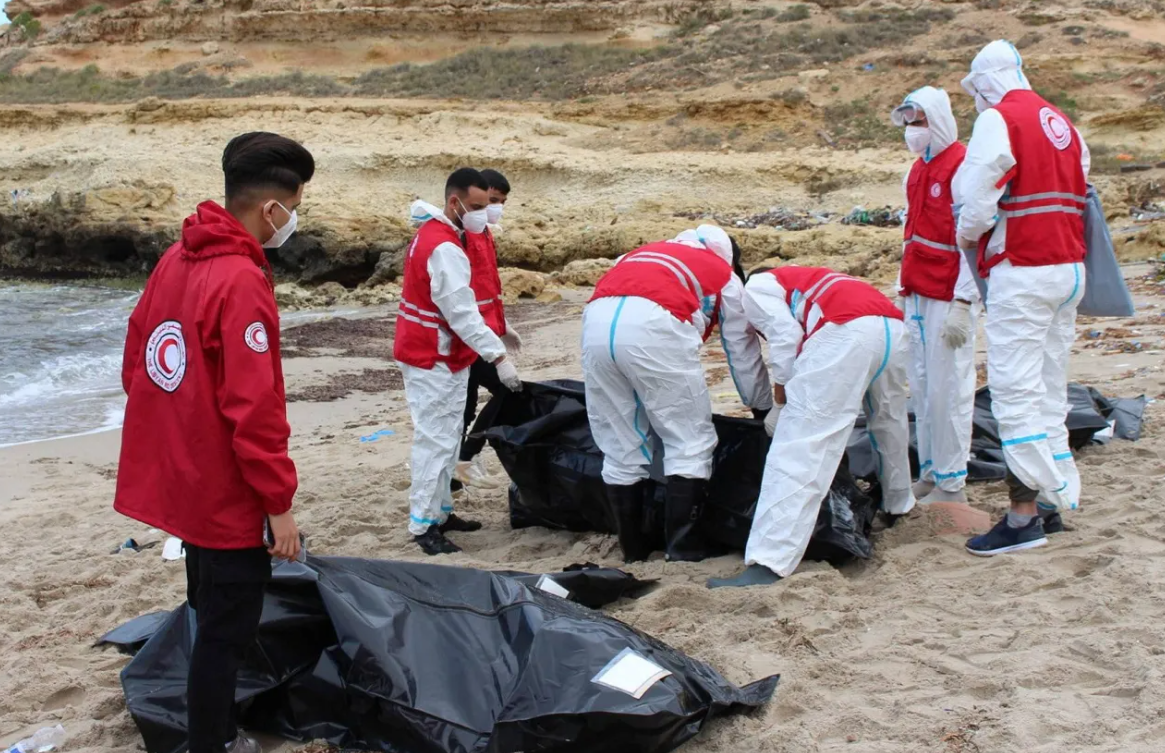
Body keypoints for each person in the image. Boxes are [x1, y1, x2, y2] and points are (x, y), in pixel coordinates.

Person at [114, 132, 312, 753]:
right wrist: (278, 505)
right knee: (227, 632)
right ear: (271, 208)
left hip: (185, 475)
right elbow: (255, 409)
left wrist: (176, 432)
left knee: (206, 607)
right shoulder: (240, 278)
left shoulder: (178, 256)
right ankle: (213, 741)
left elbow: (138, 361)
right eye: (294, 207)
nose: (293, 220)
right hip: (225, 490)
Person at [956, 40, 1089, 556]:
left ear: (985, 83)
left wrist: (968, 236)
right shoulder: (1062, 122)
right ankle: (1055, 500)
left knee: (1015, 394)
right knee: (1050, 390)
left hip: (1025, 269)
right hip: (1068, 268)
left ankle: (1022, 517)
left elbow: (977, 199)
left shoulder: (1000, 120)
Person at [708, 266, 913, 588]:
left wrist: (780, 402)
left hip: (845, 331)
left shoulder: (757, 287)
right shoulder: (812, 278)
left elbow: (785, 338)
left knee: (798, 447)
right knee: (889, 422)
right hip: (892, 327)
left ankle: (769, 562)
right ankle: (899, 505)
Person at [581, 225, 772, 563]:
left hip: (594, 327)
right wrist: (761, 407)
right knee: (689, 441)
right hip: (656, 329)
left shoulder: (639, 255)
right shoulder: (722, 275)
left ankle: (633, 549)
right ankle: (683, 548)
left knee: (621, 443)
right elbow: (742, 352)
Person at [395, 167, 522, 555]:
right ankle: (423, 524)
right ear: (455, 202)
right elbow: (461, 312)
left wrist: (498, 329)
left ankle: (440, 512)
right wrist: (497, 355)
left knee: (447, 437)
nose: (484, 214)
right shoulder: (445, 247)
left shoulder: (438, 234)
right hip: (433, 354)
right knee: (436, 441)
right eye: (478, 206)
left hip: (439, 351)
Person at [890, 86, 978, 505]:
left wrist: (965, 300)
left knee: (950, 388)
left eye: (920, 121)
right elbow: (911, 233)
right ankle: (930, 471)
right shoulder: (916, 171)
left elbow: (972, 238)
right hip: (918, 290)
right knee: (923, 387)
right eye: (909, 122)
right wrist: (902, 289)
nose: (913, 130)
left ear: (938, 120)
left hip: (947, 291)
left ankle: (952, 481)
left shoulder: (962, 168)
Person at [453, 168, 521, 490]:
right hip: (467, 337)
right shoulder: (461, 235)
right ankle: (464, 459)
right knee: (474, 405)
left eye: (501, 203)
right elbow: (461, 295)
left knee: (474, 405)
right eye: (491, 201)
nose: (495, 209)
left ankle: (462, 463)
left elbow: (488, 286)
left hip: (483, 333)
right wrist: (497, 354)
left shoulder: (484, 234)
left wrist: (502, 325)